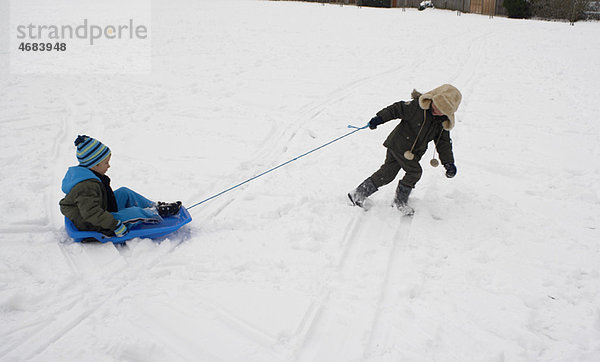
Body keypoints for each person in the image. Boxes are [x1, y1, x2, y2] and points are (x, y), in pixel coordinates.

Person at [348, 84, 462, 215]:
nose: (437, 110)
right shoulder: (416, 107)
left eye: (442, 110)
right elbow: (396, 109)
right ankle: (400, 202)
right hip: (399, 144)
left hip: (412, 152)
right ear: (433, 99)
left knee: (387, 174)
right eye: (436, 105)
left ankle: (358, 194)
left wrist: (448, 163)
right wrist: (379, 118)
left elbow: (444, 144)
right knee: (415, 172)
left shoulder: (441, 123)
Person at [59, 135, 182, 238]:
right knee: (131, 213)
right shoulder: (86, 187)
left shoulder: (89, 175)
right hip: (92, 222)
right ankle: (155, 212)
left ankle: (154, 206)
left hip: (97, 210)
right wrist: (114, 225)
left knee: (124, 192)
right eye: (106, 163)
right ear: (94, 165)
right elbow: (91, 214)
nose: (109, 166)